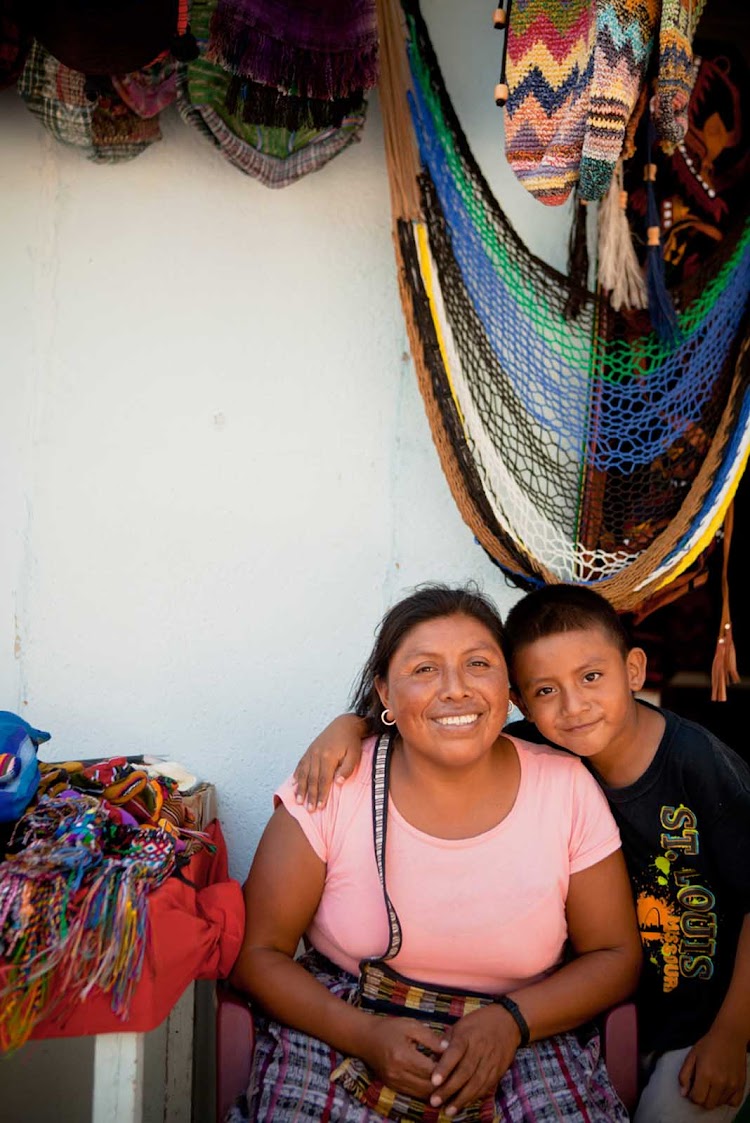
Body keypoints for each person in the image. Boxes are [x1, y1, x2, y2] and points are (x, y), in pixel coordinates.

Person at [296, 584, 750, 1123]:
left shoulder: (696, 764)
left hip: (708, 1021)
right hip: (619, 1019)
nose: (574, 705)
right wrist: (350, 725)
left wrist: (732, 1033)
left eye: (591, 677)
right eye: (545, 691)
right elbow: (433, 722)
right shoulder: (539, 745)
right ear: (520, 700)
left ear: (633, 670)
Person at [230, 584, 641, 1123]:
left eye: (478, 664)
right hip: (342, 1023)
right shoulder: (334, 782)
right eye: (424, 669)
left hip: (526, 1029)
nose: (455, 690)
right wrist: (364, 1034)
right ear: (385, 693)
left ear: (509, 688)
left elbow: (615, 955)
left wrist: (510, 1022)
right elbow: (257, 954)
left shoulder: (563, 786)